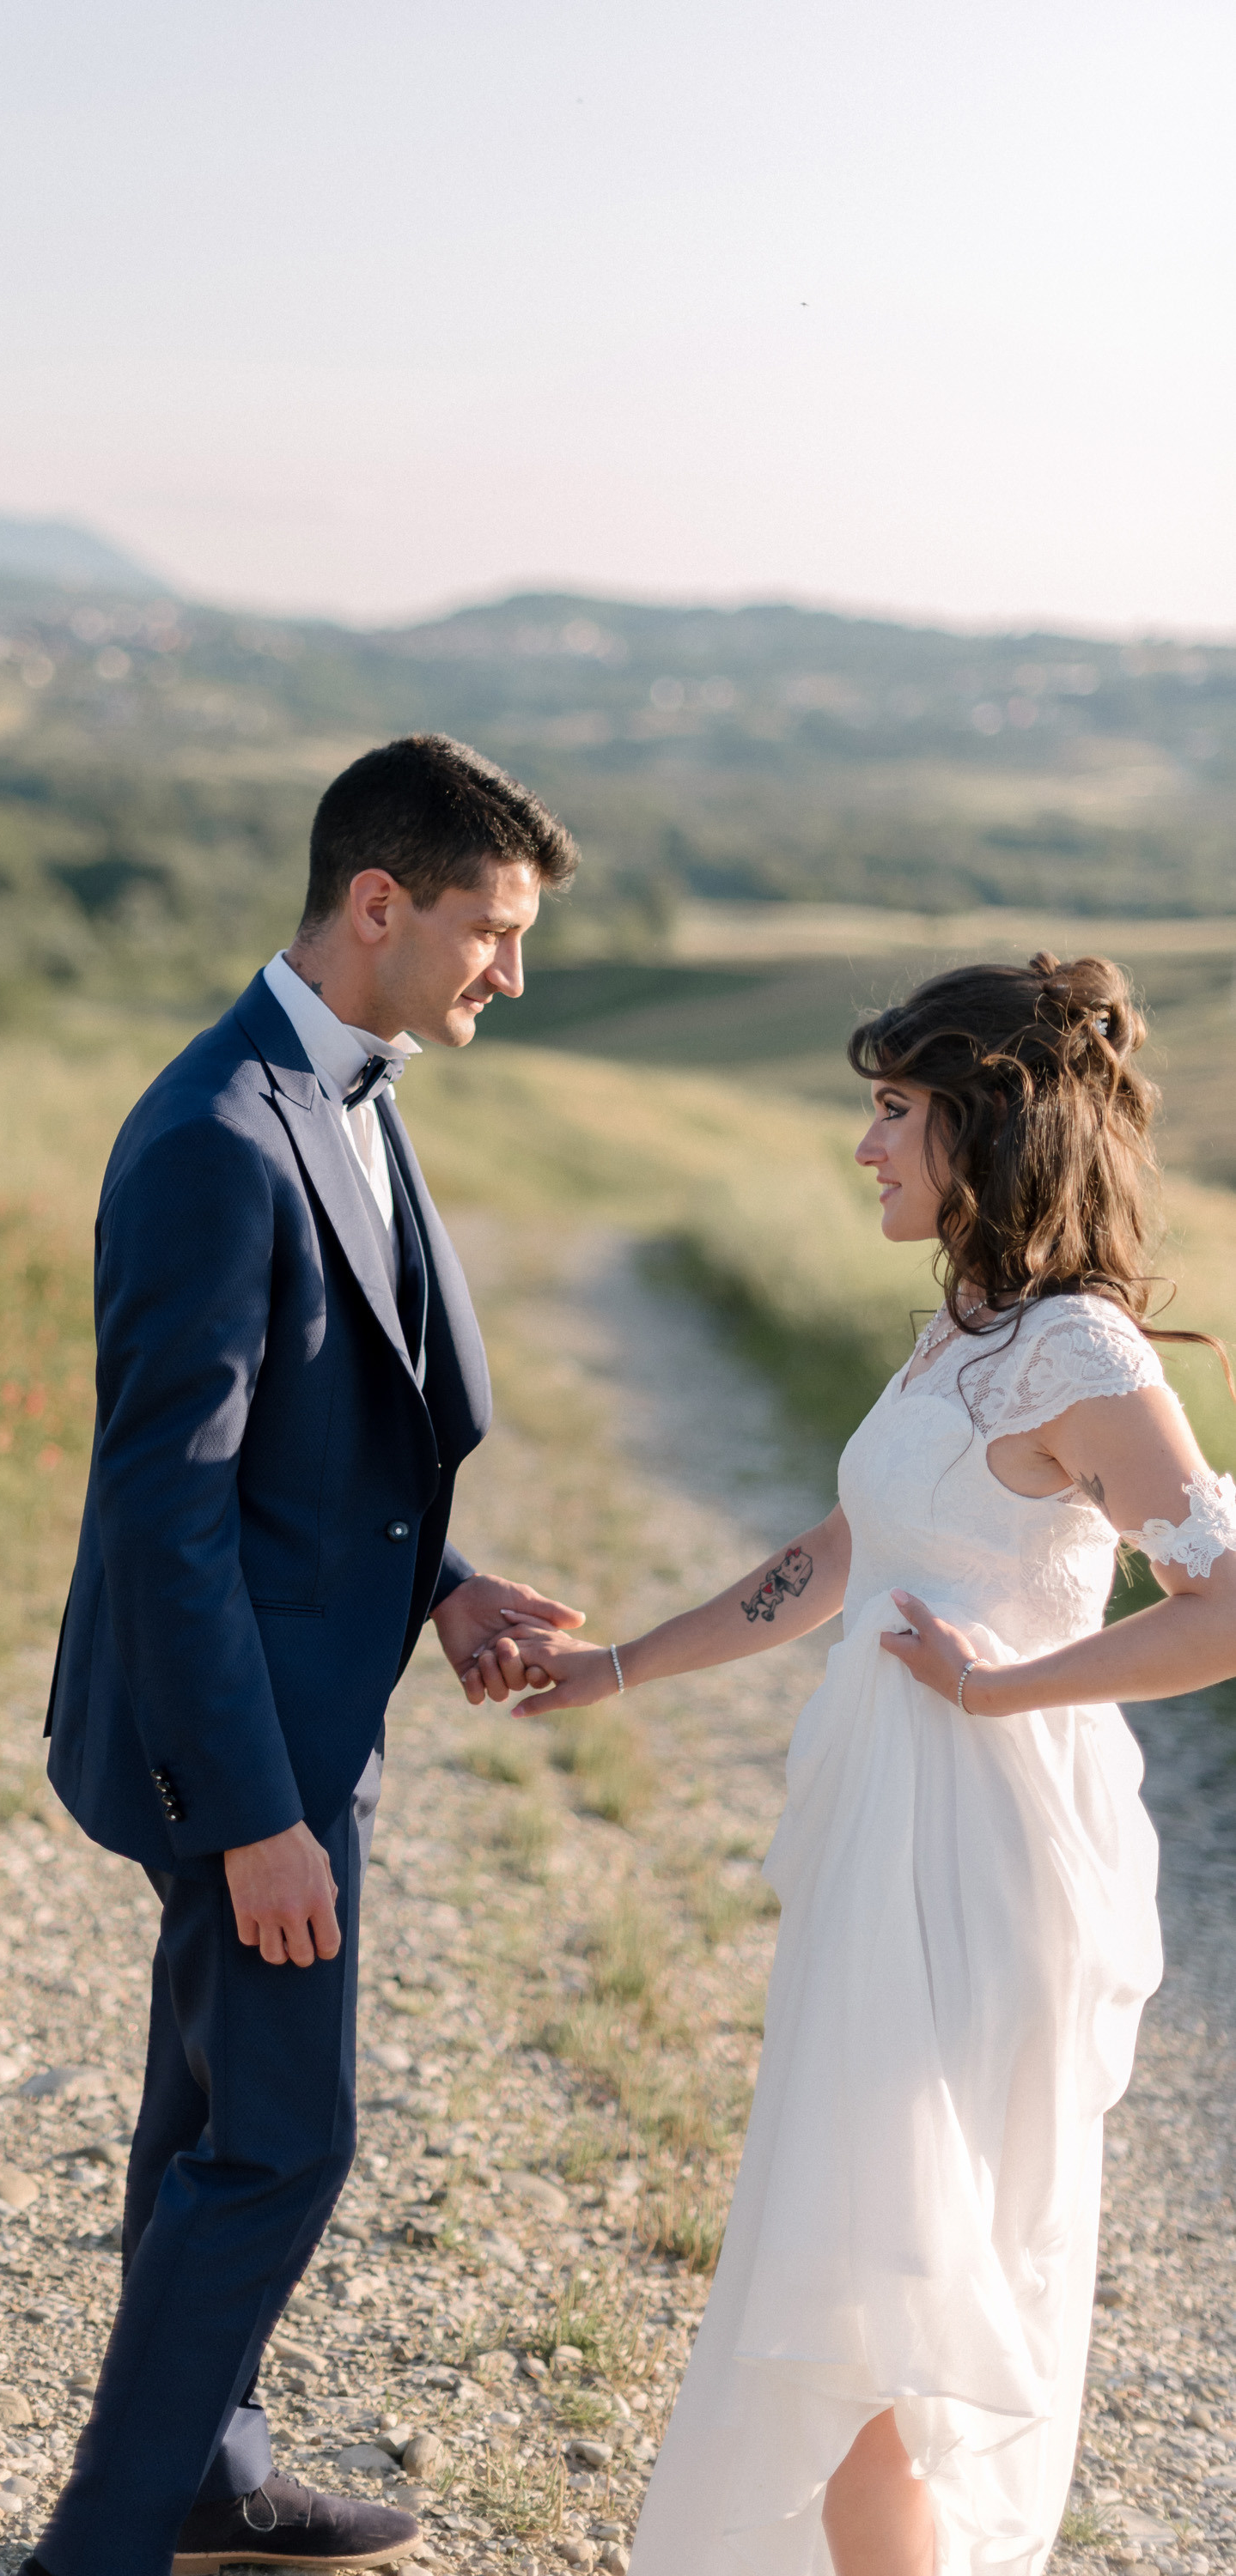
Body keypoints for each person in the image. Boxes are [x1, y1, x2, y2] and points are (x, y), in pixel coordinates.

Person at [491, 953, 1236, 2575]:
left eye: (896, 1111)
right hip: (882, 1835)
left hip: (988, 1850)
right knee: (860, 2265)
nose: (866, 1146)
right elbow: (845, 1550)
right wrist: (620, 1665)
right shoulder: (965, 1332)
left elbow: (1225, 1611)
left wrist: (1010, 1688)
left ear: (997, 1127)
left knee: (895, 2296)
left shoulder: (1083, 1357)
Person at [28, 735, 588, 2576]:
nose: (511, 972)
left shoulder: (348, 1085)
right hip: (243, 1739)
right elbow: (165, 1518)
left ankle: (210, 2470)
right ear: (378, 906)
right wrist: (254, 1817)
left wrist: (443, 1588)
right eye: (491, 933)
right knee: (281, 2141)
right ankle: (105, 2546)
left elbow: (318, 1446)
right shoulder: (211, 1135)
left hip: (315, 1691)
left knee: (208, 2109)